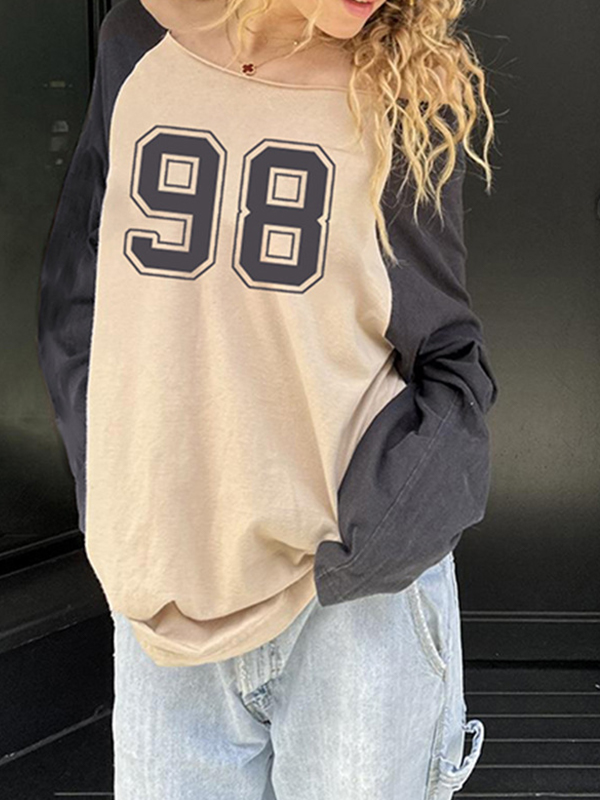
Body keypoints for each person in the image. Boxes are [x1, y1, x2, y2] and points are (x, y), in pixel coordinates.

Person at [36, 0, 499, 796]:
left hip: (351, 600)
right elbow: (81, 293)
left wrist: (379, 536)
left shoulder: (404, 88)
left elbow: (446, 349)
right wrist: (114, 490)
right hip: (167, 588)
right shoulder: (138, 44)